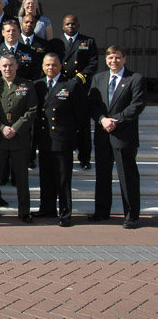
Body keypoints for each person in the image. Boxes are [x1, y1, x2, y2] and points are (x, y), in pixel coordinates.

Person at [88, 46, 146, 229]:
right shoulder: (98, 78)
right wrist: (102, 119)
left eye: (118, 57)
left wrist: (115, 121)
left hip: (123, 135)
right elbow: (92, 104)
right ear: (106, 60)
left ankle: (131, 215)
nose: (114, 61)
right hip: (103, 134)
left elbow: (137, 105)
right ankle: (102, 212)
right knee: (102, 175)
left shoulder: (135, 79)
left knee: (127, 177)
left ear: (124, 59)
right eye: (111, 57)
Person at [33, 53, 83, 227]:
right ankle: (47, 208)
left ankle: (65, 212)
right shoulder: (38, 85)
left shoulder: (70, 85)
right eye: (47, 65)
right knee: (45, 177)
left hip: (62, 139)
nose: (50, 68)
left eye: (54, 65)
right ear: (42, 66)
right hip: (44, 137)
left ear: (60, 66)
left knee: (62, 179)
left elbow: (79, 116)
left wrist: (79, 142)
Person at [0, 55, 37, 223]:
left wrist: (15, 128)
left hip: (19, 139)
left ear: (17, 66)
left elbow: (32, 110)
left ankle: (24, 212)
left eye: (11, 66)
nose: (7, 69)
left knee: (22, 178)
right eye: (4, 66)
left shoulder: (26, 85)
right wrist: (1, 128)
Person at [50, 14, 98, 170]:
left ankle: (84, 158)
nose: (71, 26)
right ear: (62, 26)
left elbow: (92, 64)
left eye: (73, 24)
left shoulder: (88, 41)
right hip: (61, 87)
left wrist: (78, 78)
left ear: (78, 25)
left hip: (79, 88)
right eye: (67, 24)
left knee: (82, 124)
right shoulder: (55, 43)